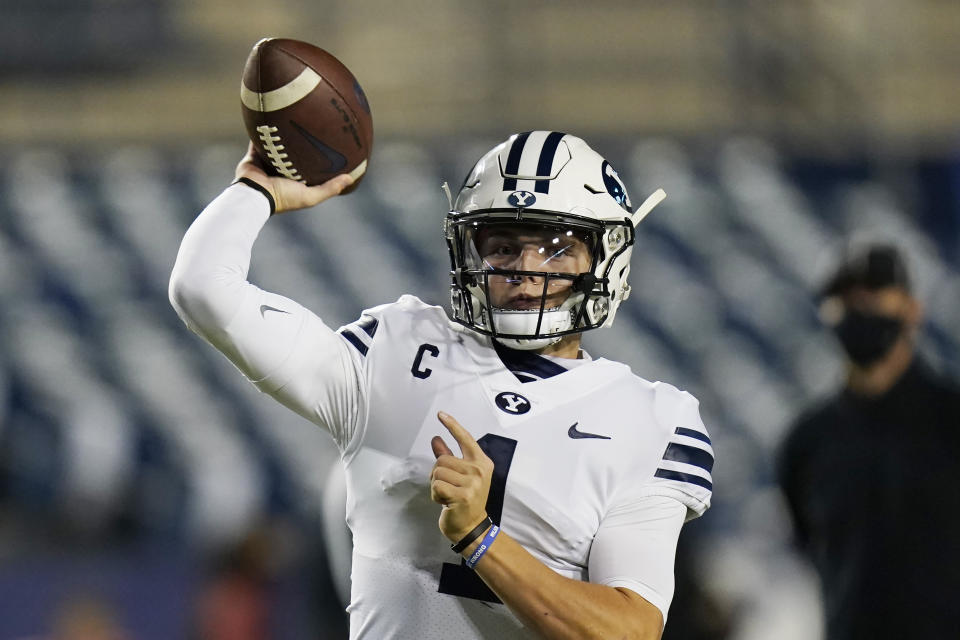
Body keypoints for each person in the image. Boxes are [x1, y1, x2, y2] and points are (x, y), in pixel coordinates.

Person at [169, 131, 714, 639]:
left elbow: (628, 629)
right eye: (501, 246)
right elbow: (202, 289)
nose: (525, 268)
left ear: (605, 260)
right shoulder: (395, 349)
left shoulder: (652, 418)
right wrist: (255, 190)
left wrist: (480, 537)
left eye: (554, 247)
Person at [777, 243, 960, 640]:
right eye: (845, 300)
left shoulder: (951, 420)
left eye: (872, 296)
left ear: (912, 309)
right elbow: (810, 548)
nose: (858, 310)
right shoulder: (809, 442)